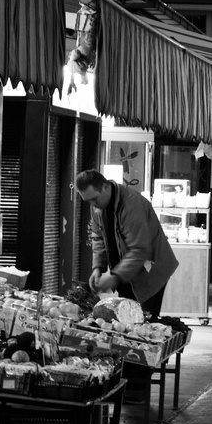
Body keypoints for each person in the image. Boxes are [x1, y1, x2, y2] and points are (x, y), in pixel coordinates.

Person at [76, 168, 178, 401]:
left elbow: (139, 249)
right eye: (87, 201)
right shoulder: (98, 206)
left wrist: (113, 277)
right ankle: (127, 382)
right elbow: (98, 238)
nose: (92, 204)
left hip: (150, 272)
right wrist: (98, 268)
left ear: (105, 187)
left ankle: (138, 387)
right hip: (124, 272)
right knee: (125, 324)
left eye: (94, 198)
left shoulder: (131, 205)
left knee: (141, 327)